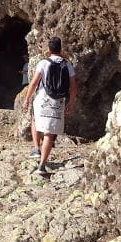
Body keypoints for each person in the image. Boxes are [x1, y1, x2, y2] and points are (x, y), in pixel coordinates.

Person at [22, 38, 77, 175]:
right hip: (58, 101)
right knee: (49, 134)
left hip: (43, 98)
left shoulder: (43, 63)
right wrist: (71, 103)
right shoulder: (68, 65)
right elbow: (74, 87)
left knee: (35, 119)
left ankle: (36, 149)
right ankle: (42, 166)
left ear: (49, 48)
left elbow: (34, 83)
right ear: (61, 49)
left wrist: (27, 99)